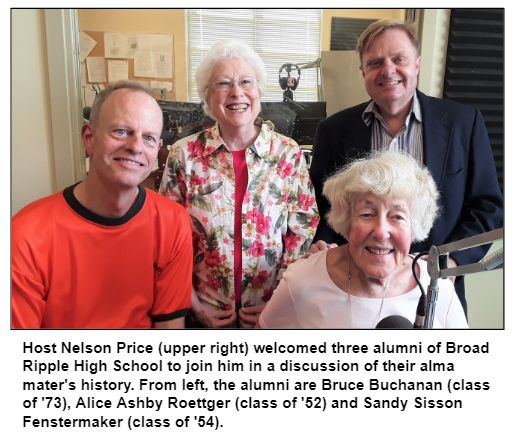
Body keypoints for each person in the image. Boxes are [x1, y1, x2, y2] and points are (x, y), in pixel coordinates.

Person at [309, 19, 503, 316]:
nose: (388, 70)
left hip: (436, 287)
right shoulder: (333, 130)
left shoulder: (464, 122)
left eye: (399, 59)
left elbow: (486, 204)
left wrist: (451, 261)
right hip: (355, 288)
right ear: (363, 72)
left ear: (417, 64)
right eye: (375, 62)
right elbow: (323, 207)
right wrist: (323, 240)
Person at [159, 39, 318, 328]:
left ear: (259, 90)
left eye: (246, 81)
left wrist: (281, 299)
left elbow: (302, 231)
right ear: (207, 97)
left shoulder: (288, 153)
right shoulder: (183, 155)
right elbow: (166, 239)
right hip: (202, 313)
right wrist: (192, 304)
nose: (237, 92)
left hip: (273, 310)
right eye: (223, 83)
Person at [12, 80, 193, 328]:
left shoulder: (173, 222)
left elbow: (170, 330)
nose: (135, 147)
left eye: (149, 137)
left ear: (158, 151)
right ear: (89, 138)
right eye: (121, 131)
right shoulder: (25, 234)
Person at [258, 152, 468, 329]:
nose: (381, 232)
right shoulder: (301, 280)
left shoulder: (436, 289)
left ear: (415, 226)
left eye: (397, 217)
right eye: (367, 214)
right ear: (347, 221)